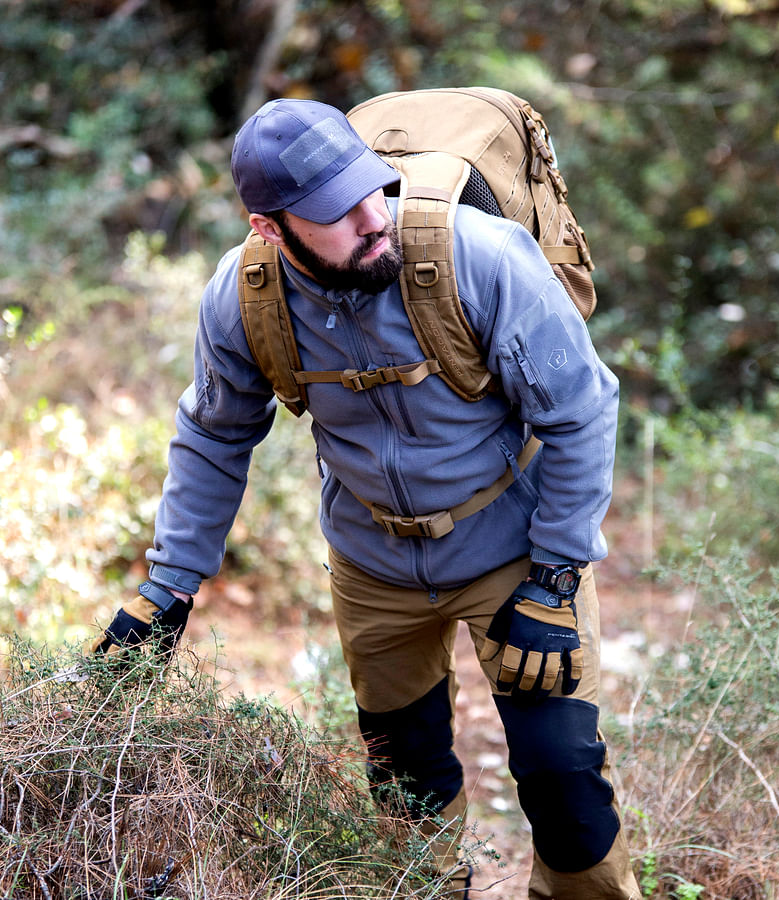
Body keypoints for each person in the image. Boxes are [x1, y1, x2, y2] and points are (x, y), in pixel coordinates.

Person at [88, 97, 642, 900]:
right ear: (270, 226)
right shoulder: (243, 298)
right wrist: (167, 589)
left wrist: (555, 575)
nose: (367, 217)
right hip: (373, 568)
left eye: (369, 188)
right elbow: (213, 435)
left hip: (515, 552)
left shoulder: (479, 256)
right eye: (333, 212)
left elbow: (582, 407)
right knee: (405, 785)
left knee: (565, 784)